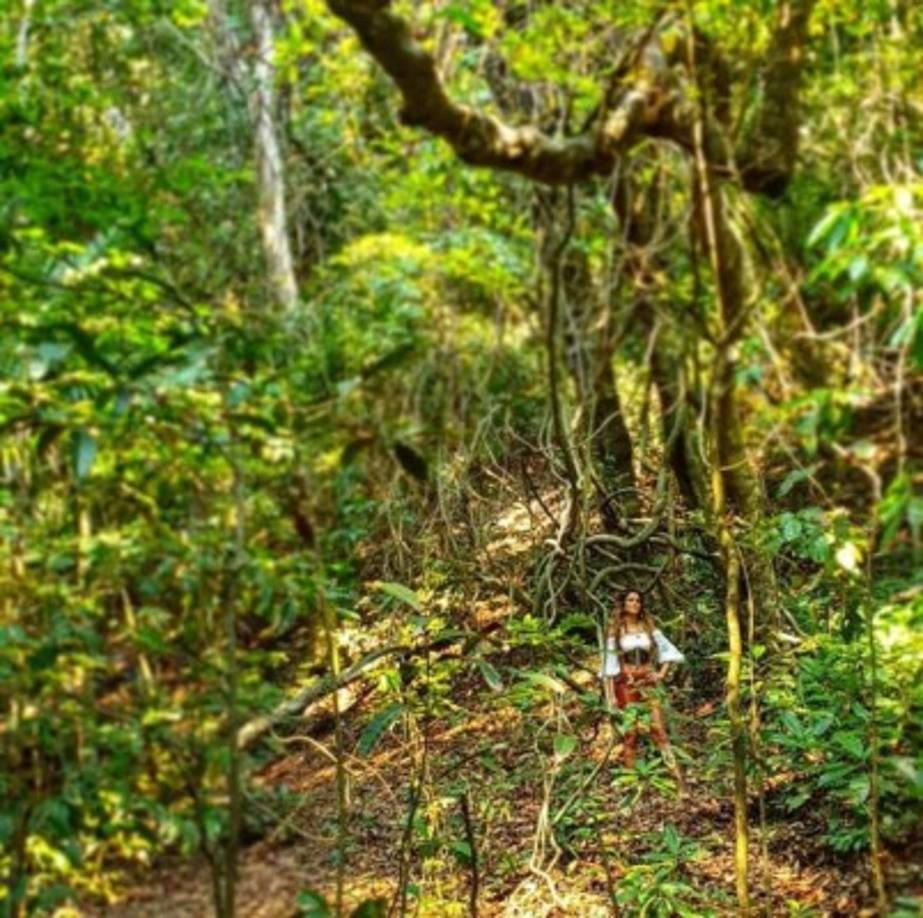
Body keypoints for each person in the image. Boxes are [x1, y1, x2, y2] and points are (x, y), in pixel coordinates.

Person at [600, 589, 687, 792]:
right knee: (630, 733)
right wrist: (611, 694)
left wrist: (661, 673)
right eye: (630, 600)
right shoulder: (616, 629)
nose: (635, 603)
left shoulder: (648, 627)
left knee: (659, 730)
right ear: (623, 604)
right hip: (626, 682)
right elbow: (609, 664)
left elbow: (669, 651)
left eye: (638, 600)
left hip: (648, 680)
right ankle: (633, 785)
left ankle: (679, 782)